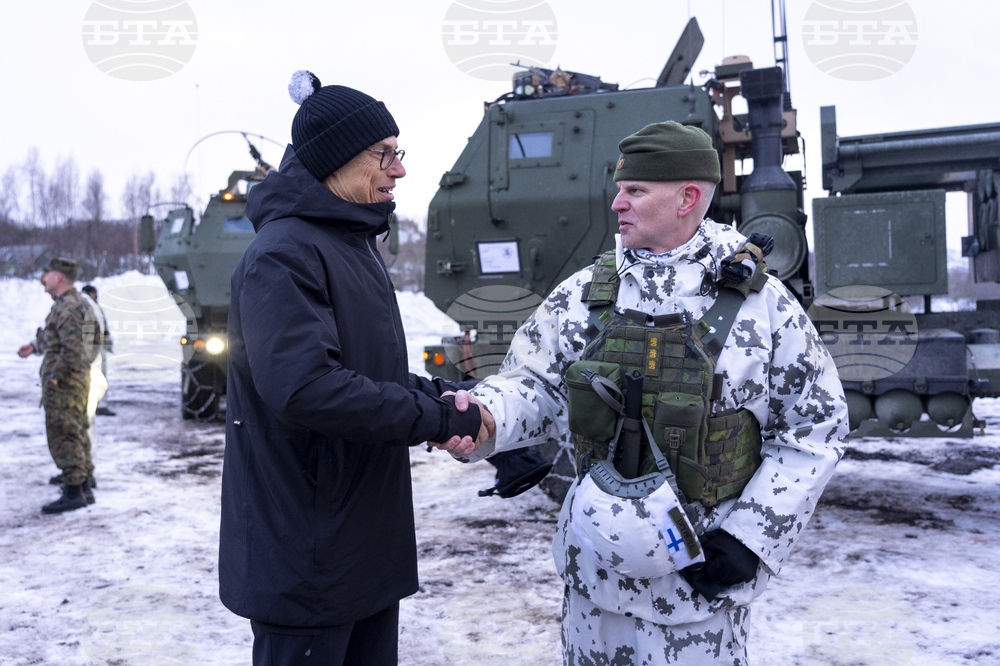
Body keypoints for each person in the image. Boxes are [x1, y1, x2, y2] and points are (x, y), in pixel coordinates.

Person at [438, 121, 848, 664]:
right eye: (619, 189)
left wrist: (751, 539)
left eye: (635, 191)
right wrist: (485, 415)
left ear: (688, 197)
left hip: (698, 591)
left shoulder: (763, 305)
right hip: (594, 580)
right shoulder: (583, 295)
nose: (616, 204)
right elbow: (532, 385)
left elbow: (814, 429)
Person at [218, 70, 490, 666]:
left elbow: (369, 372)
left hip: (360, 548)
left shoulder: (348, 244)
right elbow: (308, 388)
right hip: (309, 553)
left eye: (399, 152)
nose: (398, 169)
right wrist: (434, 419)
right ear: (334, 161)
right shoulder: (284, 252)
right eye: (383, 154)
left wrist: (450, 399)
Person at [17, 257, 101, 514]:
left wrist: (56, 376)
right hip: (72, 379)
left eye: (48, 273)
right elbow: (64, 338)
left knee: (63, 431)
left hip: (65, 382)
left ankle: (74, 490)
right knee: (75, 429)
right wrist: (36, 346)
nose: (44, 278)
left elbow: (74, 347)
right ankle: (82, 483)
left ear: (59, 277)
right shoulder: (70, 304)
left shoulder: (70, 306)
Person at [82, 284, 115, 416]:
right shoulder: (90, 305)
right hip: (95, 348)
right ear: (92, 292)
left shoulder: (89, 304)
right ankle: (100, 405)